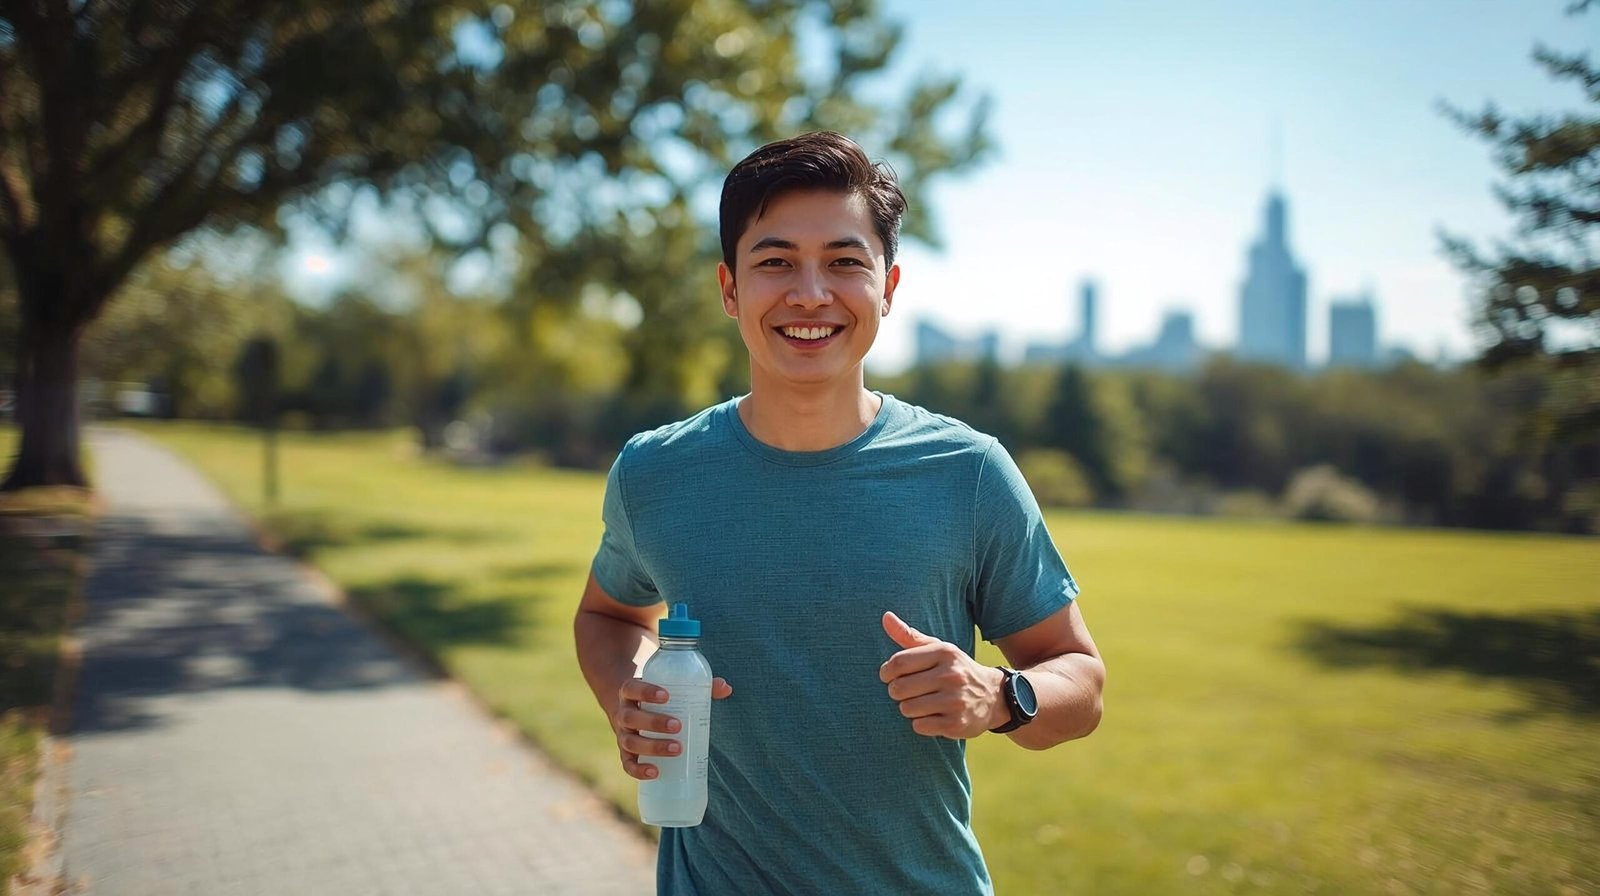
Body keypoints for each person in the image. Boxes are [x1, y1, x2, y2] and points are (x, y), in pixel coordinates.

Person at [574, 131, 1105, 895]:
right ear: (730, 289)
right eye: (776, 261)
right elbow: (606, 616)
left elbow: (1080, 680)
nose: (811, 293)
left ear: (888, 287)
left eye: (845, 262)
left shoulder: (970, 472)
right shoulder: (654, 472)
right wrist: (632, 695)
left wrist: (1001, 696)